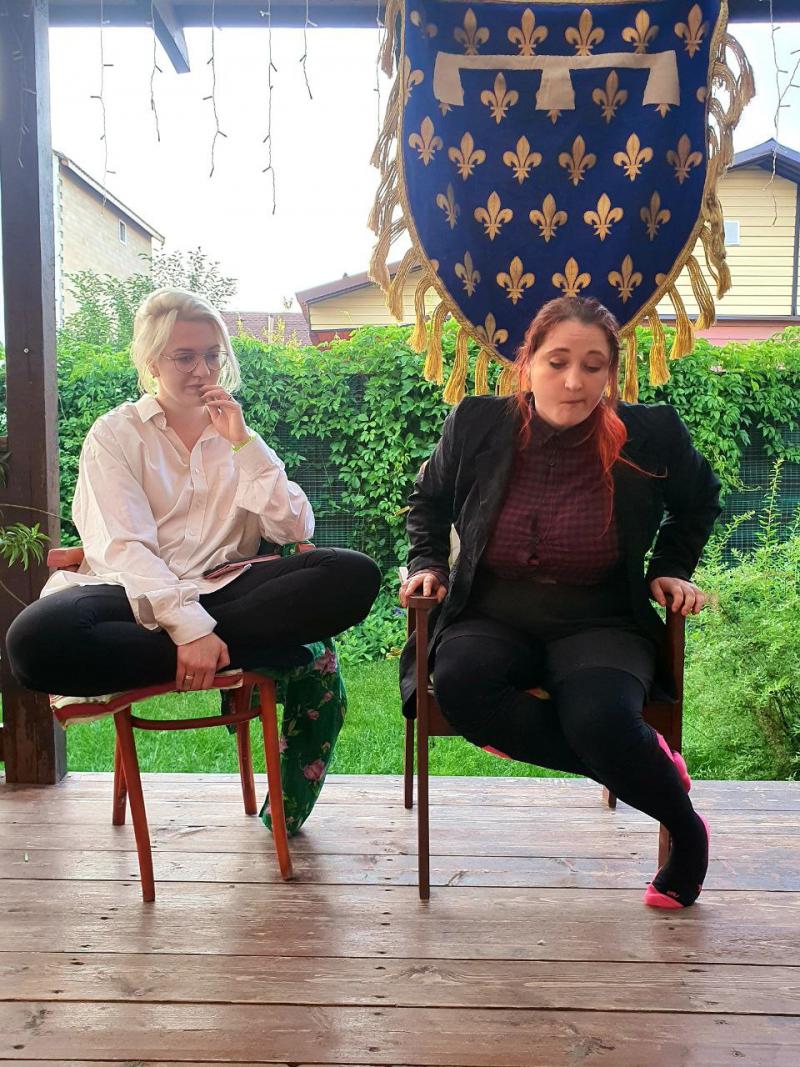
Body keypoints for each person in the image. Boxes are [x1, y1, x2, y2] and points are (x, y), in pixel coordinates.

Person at [399, 296, 720, 910]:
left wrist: (671, 568)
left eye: (593, 366)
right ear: (528, 363)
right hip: (491, 611)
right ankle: (646, 767)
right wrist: (428, 565)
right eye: (558, 362)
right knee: (462, 685)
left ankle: (685, 829)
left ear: (610, 372)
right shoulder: (477, 422)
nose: (575, 382)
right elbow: (429, 501)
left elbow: (700, 500)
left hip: (602, 617)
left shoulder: (650, 433)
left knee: (599, 719)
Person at [8, 288, 380, 698]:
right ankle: (238, 650)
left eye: (212, 356)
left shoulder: (240, 437)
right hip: (134, 595)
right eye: (185, 358)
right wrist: (190, 628)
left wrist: (244, 445)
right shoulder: (115, 434)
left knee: (354, 574)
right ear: (152, 361)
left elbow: (293, 528)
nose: (202, 371)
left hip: (226, 590)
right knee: (34, 640)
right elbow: (124, 547)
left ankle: (205, 649)